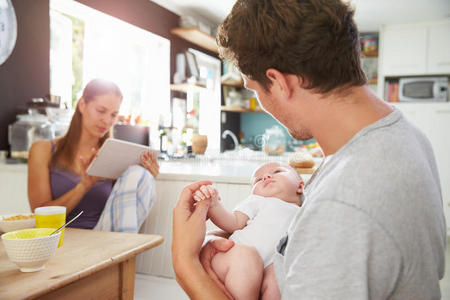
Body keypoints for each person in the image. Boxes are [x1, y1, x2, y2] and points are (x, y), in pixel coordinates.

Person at [172, 0, 446, 299]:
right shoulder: (404, 135)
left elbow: (338, 226)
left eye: (254, 89)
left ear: (278, 82)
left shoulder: (342, 205)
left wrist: (186, 264)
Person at [28, 79, 159, 232]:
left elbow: (123, 211)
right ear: (82, 105)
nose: (107, 120)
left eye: (113, 114)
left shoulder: (114, 155)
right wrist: (83, 186)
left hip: (103, 237)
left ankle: (123, 252)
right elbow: (40, 216)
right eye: (101, 111)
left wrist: (146, 176)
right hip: (58, 238)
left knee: (139, 175)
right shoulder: (43, 150)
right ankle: (122, 252)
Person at [192, 162, 304, 300]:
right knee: (247, 257)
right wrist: (214, 205)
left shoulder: (305, 212)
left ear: (300, 186)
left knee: (279, 280)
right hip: (232, 259)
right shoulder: (257, 201)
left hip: (271, 264)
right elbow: (233, 222)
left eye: (277, 172)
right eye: (258, 179)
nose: (266, 176)